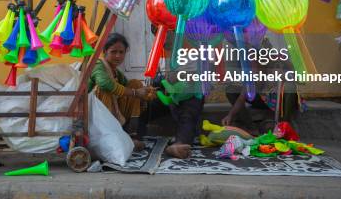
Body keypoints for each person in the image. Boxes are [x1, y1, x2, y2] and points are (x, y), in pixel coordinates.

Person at [136, 26, 205, 159]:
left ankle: (180, 144)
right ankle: (136, 138)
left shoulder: (189, 48)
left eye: (168, 32)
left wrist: (178, 78)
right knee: (143, 110)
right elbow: (151, 81)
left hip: (188, 95)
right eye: (159, 32)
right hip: (166, 96)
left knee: (186, 114)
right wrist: (152, 90)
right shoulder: (155, 52)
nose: (164, 36)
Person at [88, 33, 156, 150]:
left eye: (121, 52)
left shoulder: (115, 71)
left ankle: (132, 134)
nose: (118, 56)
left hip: (114, 113)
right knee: (105, 89)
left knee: (135, 83)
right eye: (113, 52)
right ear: (105, 51)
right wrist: (136, 92)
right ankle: (114, 137)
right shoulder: (98, 64)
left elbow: (129, 87)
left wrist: (146, 93)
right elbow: (104, 83)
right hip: (95, 116)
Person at [222, 38, 301, 134]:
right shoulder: (254, 71)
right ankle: (251, 127)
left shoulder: (278, 61)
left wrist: (287, 73)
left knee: (290, 87)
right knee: (231, 89)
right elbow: (243, 95)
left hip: (280, 100)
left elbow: (299, 79)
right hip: (262, 99)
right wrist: (230, 115)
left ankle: (284, 125)